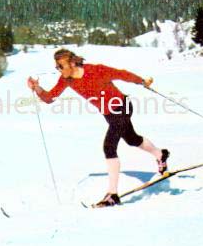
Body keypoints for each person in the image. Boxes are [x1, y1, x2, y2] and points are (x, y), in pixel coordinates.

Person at [27, 48, 169, 207]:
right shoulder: (66, 79)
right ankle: (160, 154)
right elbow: (49, 97)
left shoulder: (96, 70)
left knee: (109, 146)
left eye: (60, 66)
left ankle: (112, 195)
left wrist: (141, 81)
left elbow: (122, 74)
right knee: (132, 139)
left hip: (122, 107)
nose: (58, 70)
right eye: (57, 67)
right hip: (108, 113)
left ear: (72, 63)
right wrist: (37, 88)